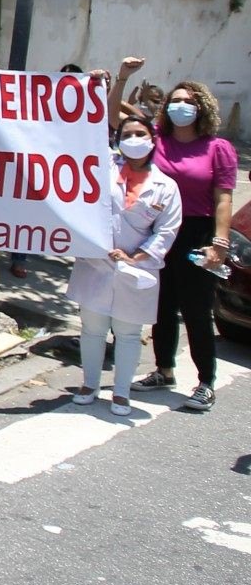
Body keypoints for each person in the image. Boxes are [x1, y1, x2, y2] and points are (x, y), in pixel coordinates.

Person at [131, 72, 237, 411]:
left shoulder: (217, 148)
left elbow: (223, 197)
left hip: (197, 232)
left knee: (195, 308)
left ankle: (206, 380)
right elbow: (112, 117)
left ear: (202, 108)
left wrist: (219, 243)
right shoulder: (157, 139)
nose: (181, 106)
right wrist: (120, 78)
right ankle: (164, 369)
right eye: (176, 100)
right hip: (160, 230)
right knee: (161, 305)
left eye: (188, 101)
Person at [69, 116, 182, 416]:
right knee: (92, 329)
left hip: (137, 269)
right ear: (117, 140)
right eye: (127, 134)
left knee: (128, 332)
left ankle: (120, 393)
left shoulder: (166, 186)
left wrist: (136, 258)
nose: (134, 139)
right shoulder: (103, 170)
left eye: (140, 133)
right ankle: (89, 384)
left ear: (153, 139)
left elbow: (166, 231)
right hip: (96, 262)